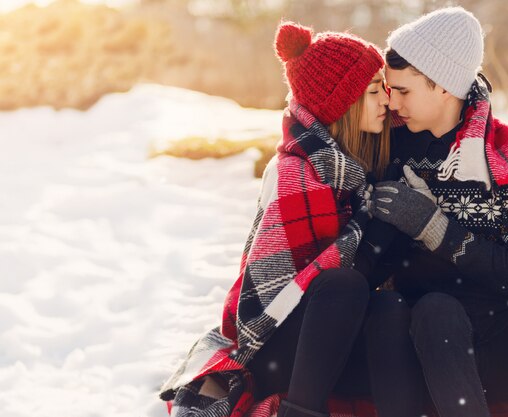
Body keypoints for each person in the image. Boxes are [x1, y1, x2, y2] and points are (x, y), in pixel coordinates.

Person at [358, 6, 508, 417]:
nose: (391, 102)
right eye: (388, 89)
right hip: (430, 349)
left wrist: (435, 228)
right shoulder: (389, 152)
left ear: (444, 88)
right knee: (437, 307)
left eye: (403, 91)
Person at [159, 21, 392, 417]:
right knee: (342, 285)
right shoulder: (294, 176)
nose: (386, 99)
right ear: (343, 105)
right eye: (373, 91)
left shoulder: (359, 165)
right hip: (274, 346)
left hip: (330, 339)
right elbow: (280, 292)